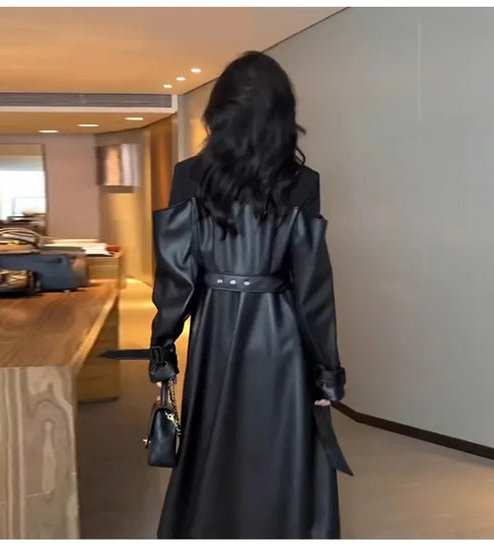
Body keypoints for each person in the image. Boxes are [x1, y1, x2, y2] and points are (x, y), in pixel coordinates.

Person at [149, 51, 352, 539]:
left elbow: (177, 275)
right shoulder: (302, 182)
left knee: (214, 440)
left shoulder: (189, 175)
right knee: (279, 444)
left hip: (215, 330)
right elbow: (312, 288)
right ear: (282, 114)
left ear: (219, 111)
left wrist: (164, 346)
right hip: (280, 335)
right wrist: (326, 373)